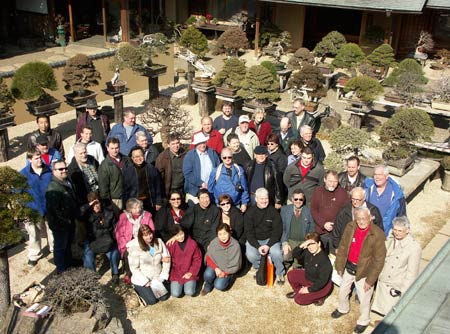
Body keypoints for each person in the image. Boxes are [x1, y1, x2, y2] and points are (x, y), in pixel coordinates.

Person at [331, 207, 386, 334]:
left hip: (364, 272)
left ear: (370, 218)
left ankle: (364, 320)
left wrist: (370, 280)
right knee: (343, 290)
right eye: (358, 219)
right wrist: (339, 265)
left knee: (364, 298)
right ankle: (343, 308)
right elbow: (343, 246)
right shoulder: (351, 227)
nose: (361, 221)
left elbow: (379, 261)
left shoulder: (377, 234)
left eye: (364, 218)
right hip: (349, 267)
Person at [372, 216, 421, 316]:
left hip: (395, 286)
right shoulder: (390, 238)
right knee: (379, 312)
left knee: (391, 314)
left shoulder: (414, 248)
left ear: (407, 231)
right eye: (395, 229)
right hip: (383, 282)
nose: (397, 233)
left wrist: (403, 292)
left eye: (400, 231)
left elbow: (412, 273)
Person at [20, 149, 54, 267]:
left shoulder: (49, 170)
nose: (39, 160)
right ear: (29, 160)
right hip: (32, 210)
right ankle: (34, 255)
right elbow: (17, 192)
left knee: (52, 230)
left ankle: (54, 251)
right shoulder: (23, 174)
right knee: (34, 233)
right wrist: (24, 207)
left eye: (40, 157)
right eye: (36, 158)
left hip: (49, 207)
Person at [244, 188, 285, 284]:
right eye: (261, 199)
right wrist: (258, 246)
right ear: (256, 199)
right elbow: (249, 233)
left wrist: (268, 245)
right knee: (251, 254)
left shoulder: (273, 212)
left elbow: (277, 231)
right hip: (255, 240)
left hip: (270, 239)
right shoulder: (250, 213)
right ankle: (259, 268)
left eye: (266, 198)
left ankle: (280, 272)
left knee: (277, 253)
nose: (264, 201)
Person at [45, 160, 79, 273]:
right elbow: (54, 210)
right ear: (54, 171)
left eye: (65, 168)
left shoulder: (66, 181)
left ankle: (68, 263)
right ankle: (60, 269)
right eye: (60, 169)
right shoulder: (53, 187)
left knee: (68, 244)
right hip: (60, 224)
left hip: (69, 220)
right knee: (60, 247)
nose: (64, 171)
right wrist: (64, 222)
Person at [81, 192, 120, 284]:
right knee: (87, 256)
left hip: (107, 239)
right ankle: (92, 276)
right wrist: (89, 205)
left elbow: (115, 229)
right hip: (93, 240)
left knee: (115, 252)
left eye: (97, 203)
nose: (96, 206)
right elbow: (78, 213)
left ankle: (115, 273)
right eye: (93, 204)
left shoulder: (109, 213)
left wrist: (113, 240)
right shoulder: (88, 215)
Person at [127, 224, 170, 305]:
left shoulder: (159, 242)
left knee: (163, 297)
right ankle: (137, 289)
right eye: (145, 235)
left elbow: (167, 259)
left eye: (150, 234)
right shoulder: (135, 248)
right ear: (141, 237)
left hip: (156, 278)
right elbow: (134, 268)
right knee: (152, 301)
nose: (149, 237)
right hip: (143, 279)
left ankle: (154, 289)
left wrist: (163, 276)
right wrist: (145, 281)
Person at [286, 232, 333, 306]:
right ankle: (299, 291)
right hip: (309, 278)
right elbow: (295, 254)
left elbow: (322, 281)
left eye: (313, 244)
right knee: (291, 274)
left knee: (299, 300)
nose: (310, 247)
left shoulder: (324, 260)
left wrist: (308, 290)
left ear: (319, 244)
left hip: (321, 286)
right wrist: (302, 245)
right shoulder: (308, 251)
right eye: (308, 245)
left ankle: (321, 297)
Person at [115, 198, 155, 284]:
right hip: (128, 242)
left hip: (144, 241)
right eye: (135, 208)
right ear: (130, 209)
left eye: (140, 207)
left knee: (148, 252)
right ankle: (129, 274)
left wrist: (145, 241)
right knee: (127, 254)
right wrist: (125, 245)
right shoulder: (123, 217)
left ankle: (145, 273)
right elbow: (119, 234)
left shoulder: (147, 216)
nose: (139, 209)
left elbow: (152, 230)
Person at [332, 187, 383, 252]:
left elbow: (380, 230)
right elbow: (337, 230)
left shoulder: (373, 210)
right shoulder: (344, 211)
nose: (355, 202)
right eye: (353, 199)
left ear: (364, 198)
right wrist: (337, 246)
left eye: (358, 200)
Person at [310, 170, 349, 253]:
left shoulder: (342, 193)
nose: (332, 184)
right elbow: (313, 209)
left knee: (334, 256)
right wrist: (323, 223)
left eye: (335, 182)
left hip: (336, 232)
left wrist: (335, 223)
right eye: (330, 181)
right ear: (325, 180)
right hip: (320, 230)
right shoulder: (318, 191)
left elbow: (346, 211)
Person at [364, 165, 406, 236]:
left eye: (380, 174)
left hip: (387, 232)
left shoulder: (396, 193)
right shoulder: (367, 188)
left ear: (387, 176)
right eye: (375, 174)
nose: (377, 177)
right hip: (368, 231)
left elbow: (401, 215)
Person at [201, 223, 242, 295]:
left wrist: (225, 273)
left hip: (227, 269)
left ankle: (229, 278)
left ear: (229, 233)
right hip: (216, 266)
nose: (223, 237)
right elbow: (208, 256)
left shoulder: (235, 246)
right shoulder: (214, 242)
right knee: (207, 275)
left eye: (225, 233)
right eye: (220, 234)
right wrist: (216, 268)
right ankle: (208, 285)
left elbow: (235, 264)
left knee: (219, 285)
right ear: (217, 235)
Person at [122, 146, 162, 215]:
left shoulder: (152, 169)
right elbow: (124, 191)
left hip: (150, 202)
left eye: (140, 156)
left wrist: (158, 202)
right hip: (134, 205)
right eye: (136, 157)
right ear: (132, 158)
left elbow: (158, 187)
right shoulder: (127, 172)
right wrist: (125, 206)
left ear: (144, 155)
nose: (138, 158)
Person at [281, 189, 315, 269]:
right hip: (290, 240)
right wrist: (285, 243)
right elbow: (282, 228)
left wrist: (308, 242)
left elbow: (312, 228)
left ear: (303, 200)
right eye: (296, 199)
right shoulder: (285, 210)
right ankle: (286, 264)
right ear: (292, 199)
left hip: (302, 241)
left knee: (300, 261)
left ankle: (296, 265)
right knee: (285, 256)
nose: (298, 201)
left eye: (301, 199)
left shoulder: (308, 211)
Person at [183, 132, 220, 205]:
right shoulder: (190, 156)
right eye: (200, 143)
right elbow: (187, 173)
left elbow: (218, 168)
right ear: (196, 144)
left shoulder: (212, 153)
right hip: (195, 190)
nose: (202, 145)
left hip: (211, 189)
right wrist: (201, 183)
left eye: (204, 142)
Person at [208, 147, 249, 211]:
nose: (227, 159)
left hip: (236, 204)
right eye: (224, 157)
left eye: (229, 157)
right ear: (221, 158)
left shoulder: (239, 170)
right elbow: (210, 189)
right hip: (220, 205)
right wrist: (216, 201)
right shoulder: (216, 171)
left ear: (232, 157)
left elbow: (244, 188)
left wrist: (244, 203)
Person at [166, 225, 202, 298]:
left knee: (189, 291)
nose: (180, 237)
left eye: (181, 234)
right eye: (177, 235)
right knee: (175, 293)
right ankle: (180, 286)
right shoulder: (171, 245)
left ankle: (192, 283)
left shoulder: (192, 243)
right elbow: (165, 257)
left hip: (189, 271)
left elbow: (197, 259)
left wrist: (191, 272)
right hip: (176, 273)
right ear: (173, 236)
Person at [180, 189, 221, 253]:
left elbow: (214, 229)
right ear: (198, 199)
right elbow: (185, 225)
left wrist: (211, 243)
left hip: (208, 240)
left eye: (206, 197)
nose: (205, 200)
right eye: (202, 198)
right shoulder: (193, 209)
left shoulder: (215, 210)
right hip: (194, 239)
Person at [98, 137, 131, 215]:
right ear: (107, 148)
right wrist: (108, 204)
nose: (115, 150)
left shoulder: (127, 160)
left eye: (117, 148)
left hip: (129, 196)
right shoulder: (104, 166)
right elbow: (103, 188)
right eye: (112, 148)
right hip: (116, 200)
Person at [155, 133, 186, 202]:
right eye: (173, 144)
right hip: (169, 190)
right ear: (168, 145)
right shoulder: (162, 158)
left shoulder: (185, 154)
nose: (176, 146)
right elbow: (158, 177)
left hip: (183, 189)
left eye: (177, 143)